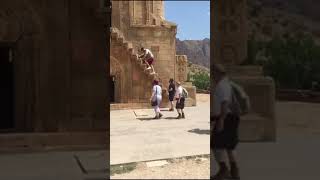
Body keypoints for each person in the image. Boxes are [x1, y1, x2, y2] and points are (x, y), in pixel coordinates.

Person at [211, 64, 240, 180]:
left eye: (213, 74)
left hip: (225, 118)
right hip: (229, 117)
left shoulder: (222, 85)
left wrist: (221, 120)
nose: (212, 76)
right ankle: (234, 172)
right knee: (229, 147)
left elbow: (224, 103)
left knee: (215, 144)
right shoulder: (226, 84)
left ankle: (224, 170)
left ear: (217, 73)